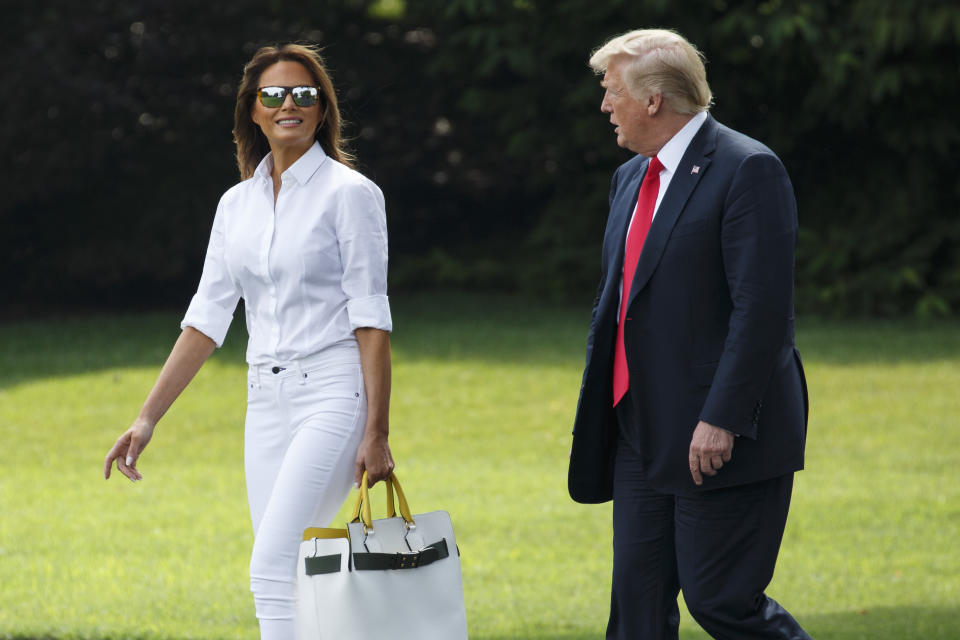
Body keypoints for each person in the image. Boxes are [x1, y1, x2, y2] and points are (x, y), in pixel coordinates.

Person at [103, 43, 395, 638]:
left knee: (270, 567)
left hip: (333, 396)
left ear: (321, 110)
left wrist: (378, 431)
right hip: (264, 403)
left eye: (304, 94)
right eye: (274, 94)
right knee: (288, 573)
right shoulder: (236, 205)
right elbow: (206, 320)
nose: (290, 103)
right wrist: (146, 418)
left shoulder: (351, 194)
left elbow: (372, 319)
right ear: (254, 112)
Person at [568, 29, 812, 639]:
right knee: (637, 610)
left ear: (653, 99)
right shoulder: (630, 178)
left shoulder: (747, 168)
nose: (604, 106)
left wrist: (721, 417)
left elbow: (762, 313)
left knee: (722, 601)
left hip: (718, 432)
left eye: (611, 91)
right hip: (638, 429)